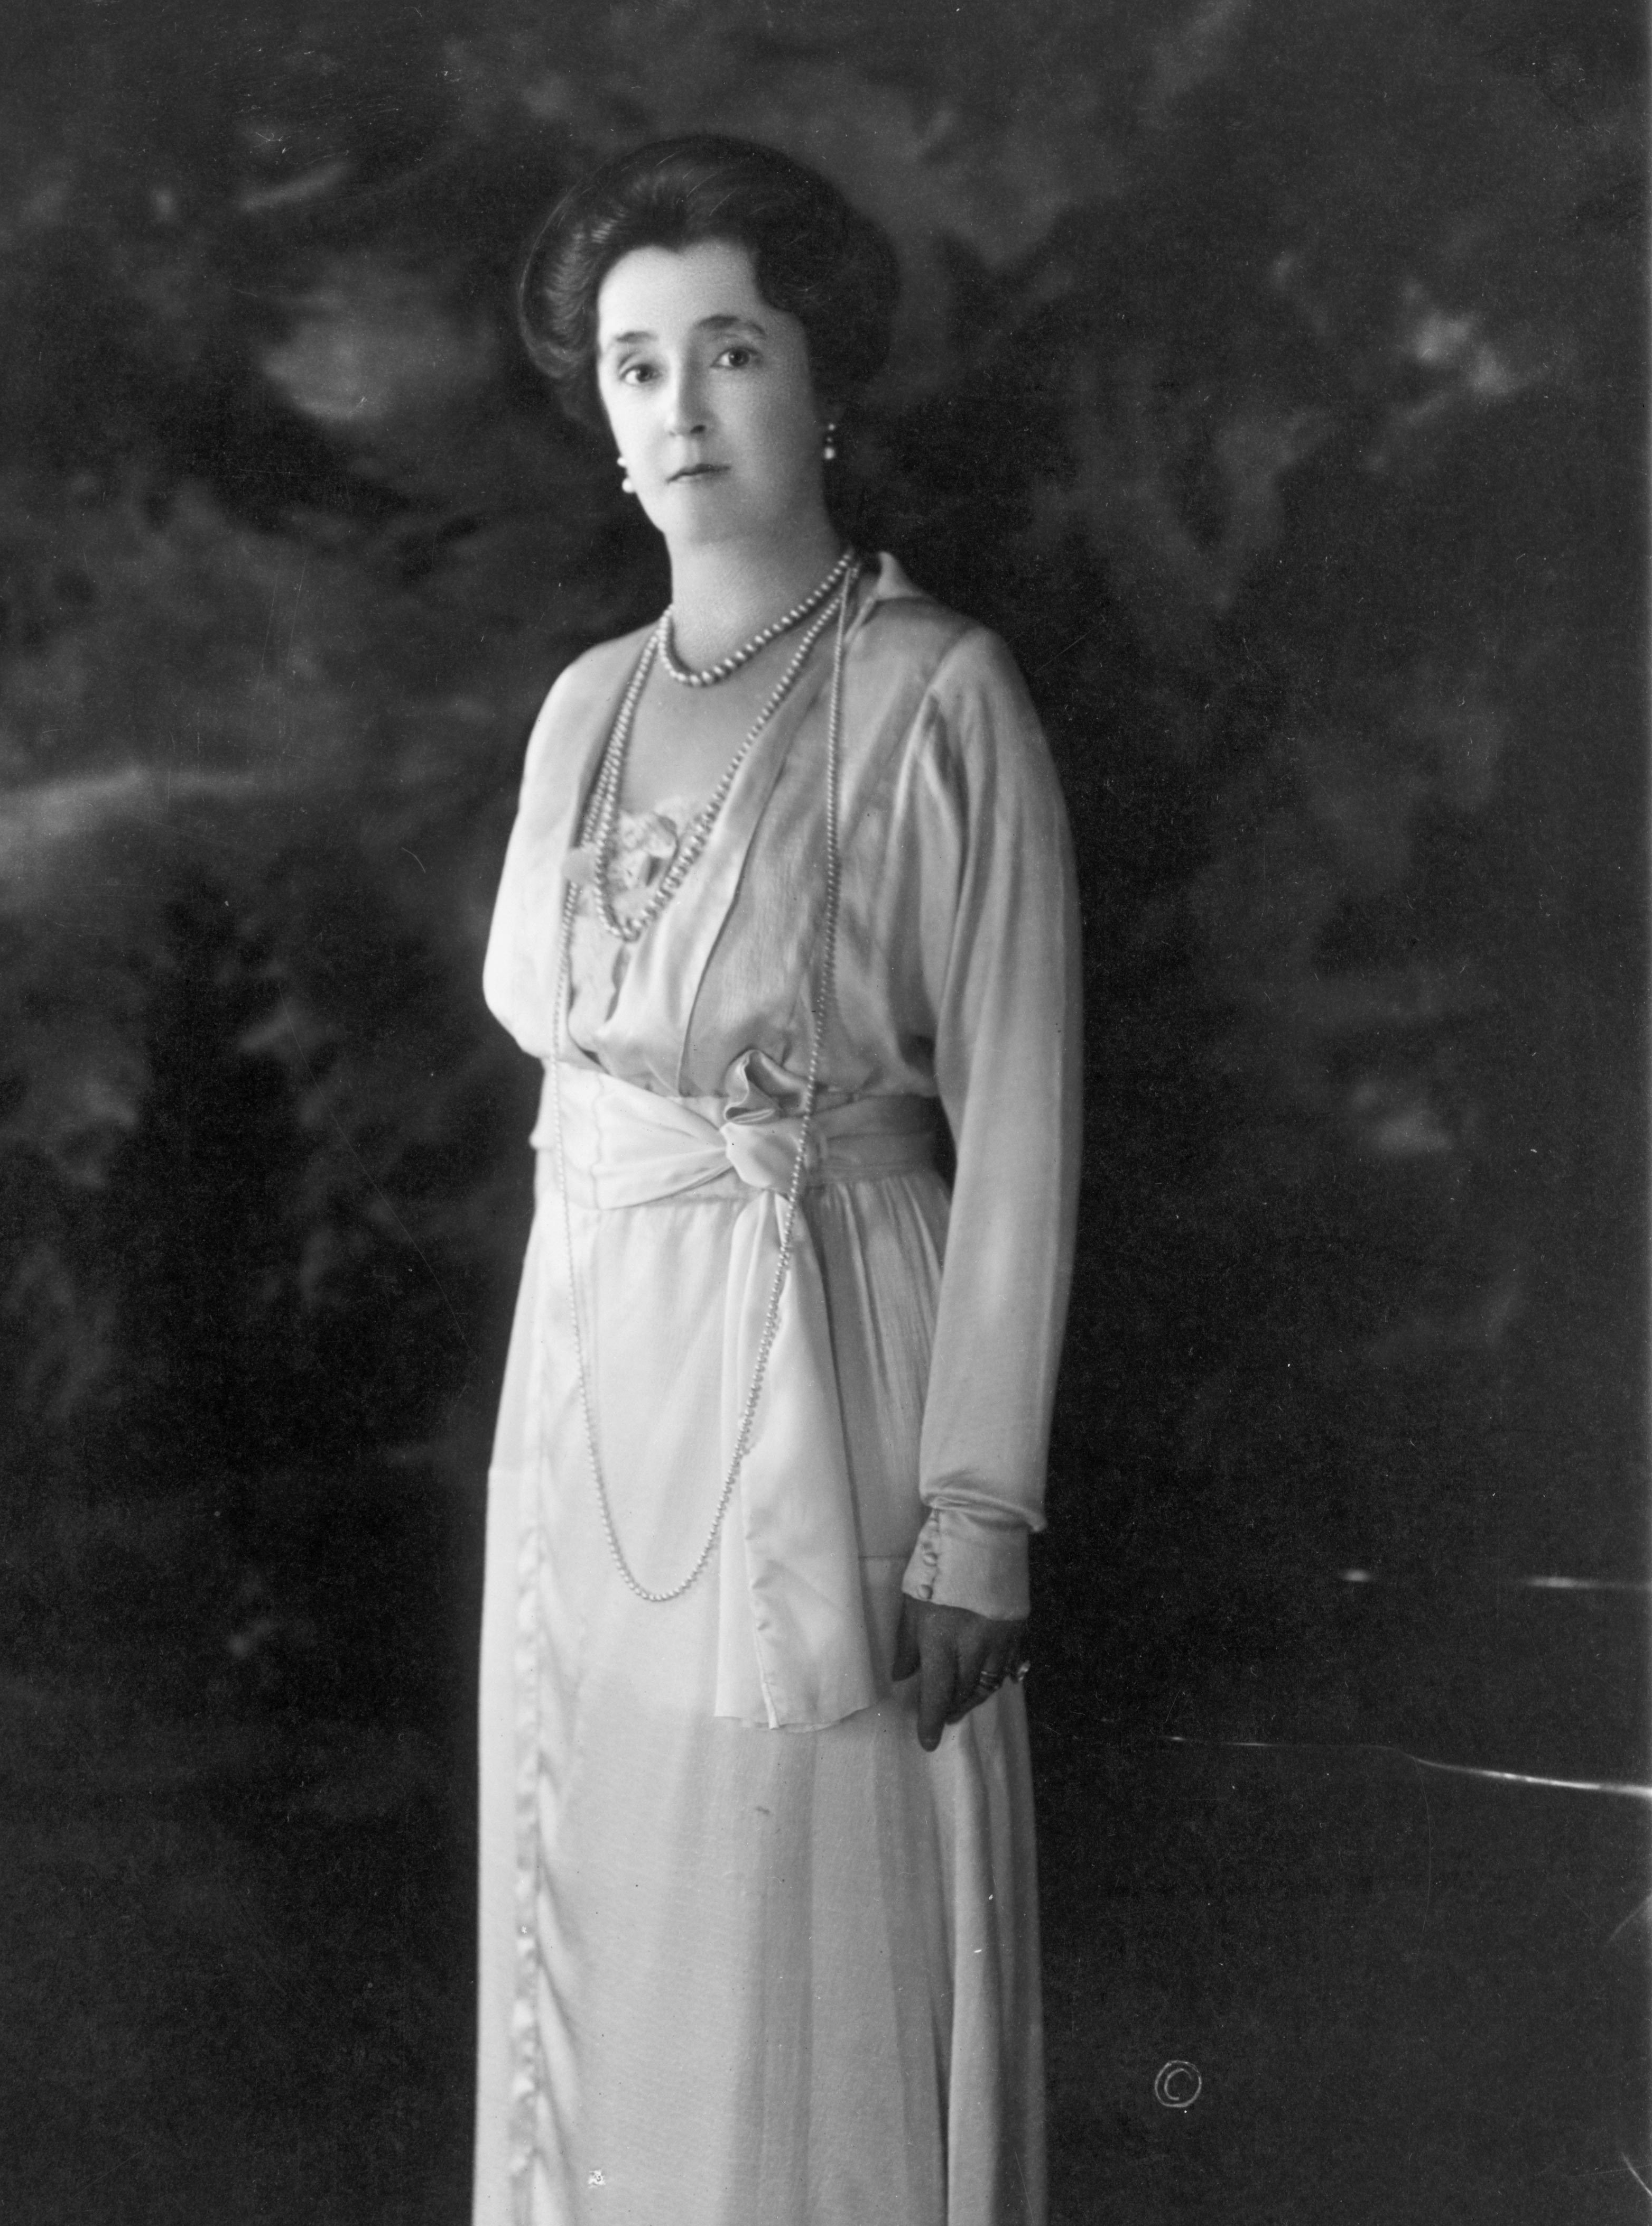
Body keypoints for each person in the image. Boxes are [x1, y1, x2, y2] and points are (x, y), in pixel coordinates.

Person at [477, 134, 1080, 2226]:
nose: (680, 409)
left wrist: (980, 1510)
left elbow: (1017, 1118)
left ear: (821, 387)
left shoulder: (937, 696)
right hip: (592, 1390)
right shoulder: (577, 714)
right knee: (610, 1907)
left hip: (844, 1357)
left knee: (806, 1905)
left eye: (730, 353)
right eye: (637, 367)